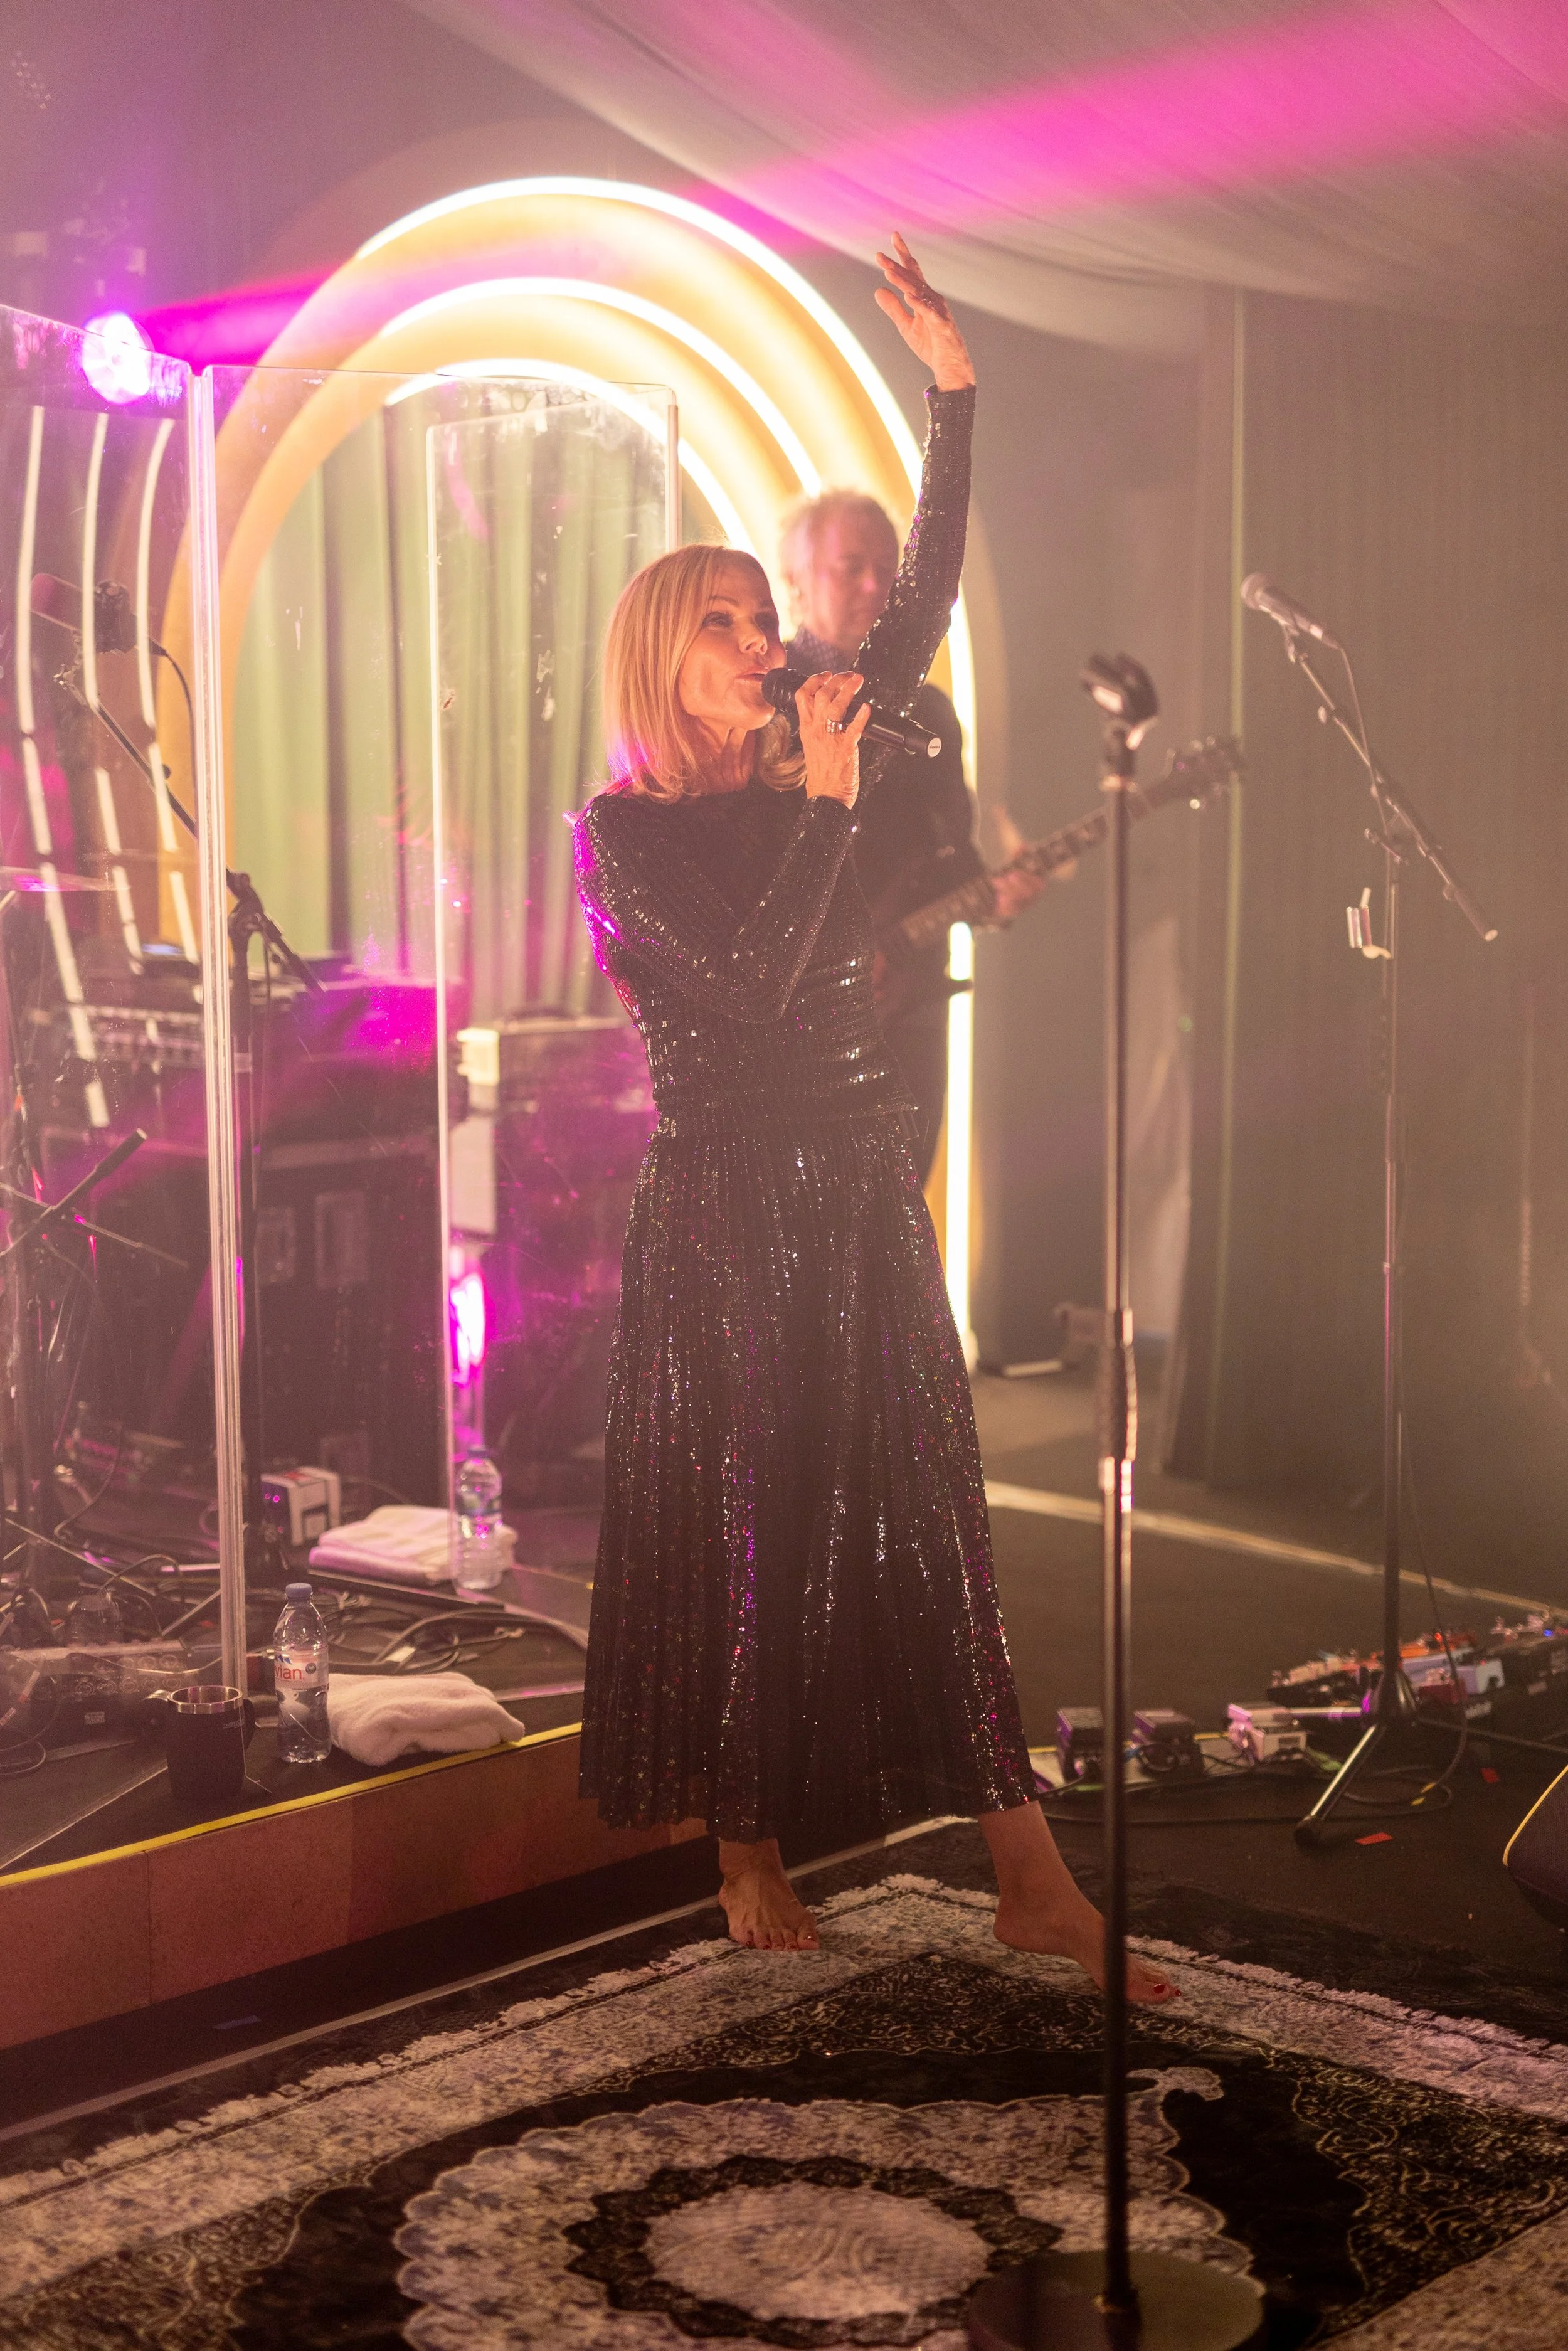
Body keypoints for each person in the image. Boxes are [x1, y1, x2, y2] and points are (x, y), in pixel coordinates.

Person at [571, 234, 1173, 2003]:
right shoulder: (631, 837)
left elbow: (906, 604)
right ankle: (744, 1827)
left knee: (931, 1509)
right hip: (730, 1207)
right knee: (756, 1515)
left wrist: (954, 393)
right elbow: (755, 976)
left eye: (771, 617)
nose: (772, 643)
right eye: (734, 623)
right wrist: (830, 803)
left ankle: (1026, 1871)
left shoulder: (822, 736)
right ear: (665, 658)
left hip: (856, 1181)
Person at [780, 492, 1046, 1182]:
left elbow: (951, 858)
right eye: (850, 567)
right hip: (805, 1024)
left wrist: (995, 897)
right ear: (796, 578)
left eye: (885, 568)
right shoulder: (772, 700)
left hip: (914, 1016)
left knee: (902, 1221)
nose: (874, 586)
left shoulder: (928, 712)